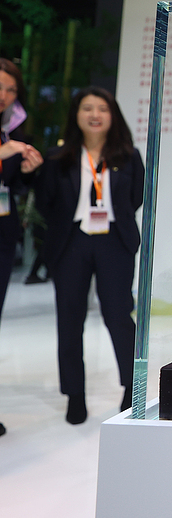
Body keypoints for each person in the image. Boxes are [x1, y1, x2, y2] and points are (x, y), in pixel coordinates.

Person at [35, 87, 144, 424]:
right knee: (69, 320)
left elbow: (135, 198)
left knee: (119, 317)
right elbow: (45, 202)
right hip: (71, 243)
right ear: (76, 115)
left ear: (113, 116)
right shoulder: (58, 158)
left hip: (114, 242)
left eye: (102, 108)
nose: (95, 114)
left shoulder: (128, 156)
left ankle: (131, 387)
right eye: (87, 108)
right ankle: (75, 395)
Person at [0, 58, 44, 436]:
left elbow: (12, 186)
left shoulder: (8, 130)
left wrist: (26, 171)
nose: (4, 96)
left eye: (11, 90)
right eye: (0, 86)